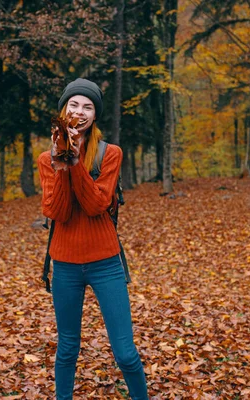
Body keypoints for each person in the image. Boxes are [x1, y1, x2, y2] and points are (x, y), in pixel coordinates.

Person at [37, 78, 149, 400]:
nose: (80, 112)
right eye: (74, 105)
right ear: (64, 110)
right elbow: (57, 212)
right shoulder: (48, 159)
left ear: (94, 115)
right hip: (66, 266)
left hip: (105, 263)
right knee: (68, 349)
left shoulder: (109, 154)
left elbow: (96, 204)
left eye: (87, 107)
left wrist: (76, 162)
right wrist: (62, 159)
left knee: (126, 353)